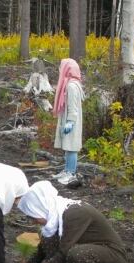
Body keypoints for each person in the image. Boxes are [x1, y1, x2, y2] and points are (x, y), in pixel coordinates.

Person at [5, 181, 129, 263]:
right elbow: (40, 253)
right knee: (49, 243)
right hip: (91, 251)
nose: (33, 221)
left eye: (33, 216)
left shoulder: (75, 213)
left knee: (77, 254)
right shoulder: (54, 219)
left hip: (112, 257)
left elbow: (63, 254)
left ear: (40, 208)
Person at [51, 58, 85, 186]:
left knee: (72, 147)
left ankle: (71, 173)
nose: (60, 69)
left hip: (72, 121)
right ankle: (66, 170)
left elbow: (73, 107)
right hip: (68, 119)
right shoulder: (70, 83)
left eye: (62, 67)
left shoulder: (71, 86)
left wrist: (70, 122)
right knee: (68, 146)